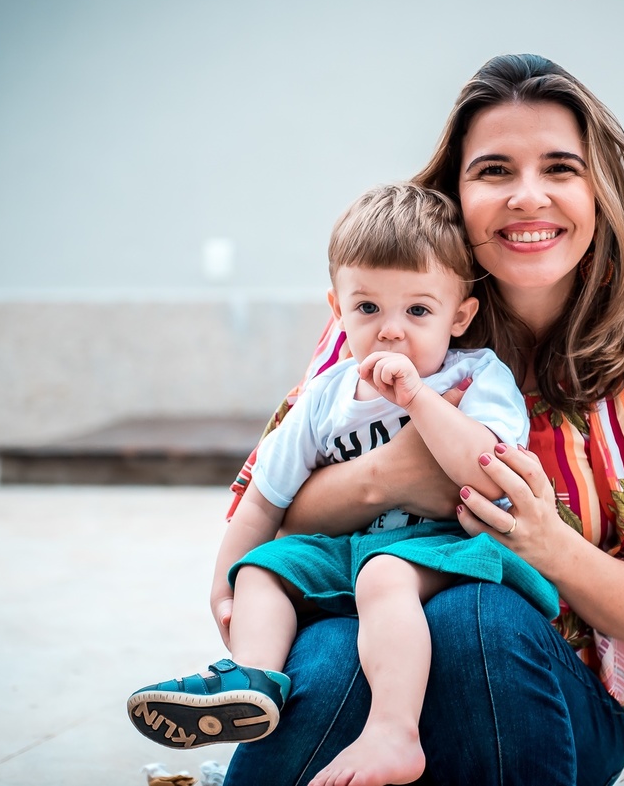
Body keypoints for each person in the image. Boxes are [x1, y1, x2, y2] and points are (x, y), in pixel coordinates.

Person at [221, 53, 624, 786]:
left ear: (599, 192)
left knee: (477, 613)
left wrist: (547, 544)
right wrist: (390, 474)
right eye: (495, 170)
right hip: (380, 645)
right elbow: (277, 511)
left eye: (561, 168)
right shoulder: (390, 318)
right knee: (318, 662)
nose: (528, 196)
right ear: (457, 193)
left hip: (544, 687)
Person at [127, 183, 559, 786]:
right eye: (367, 309)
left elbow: (484, 469)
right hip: (348, 553)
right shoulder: (326, 396)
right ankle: (250, 680)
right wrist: (226, 582)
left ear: (460, 314)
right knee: (263, 567)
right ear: (338, 308)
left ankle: (393, 734)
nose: (390, 331)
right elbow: (264, 500)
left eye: (418, 311)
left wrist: (416, 399)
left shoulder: (476, 376)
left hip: (454, 549)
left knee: (385, 573)